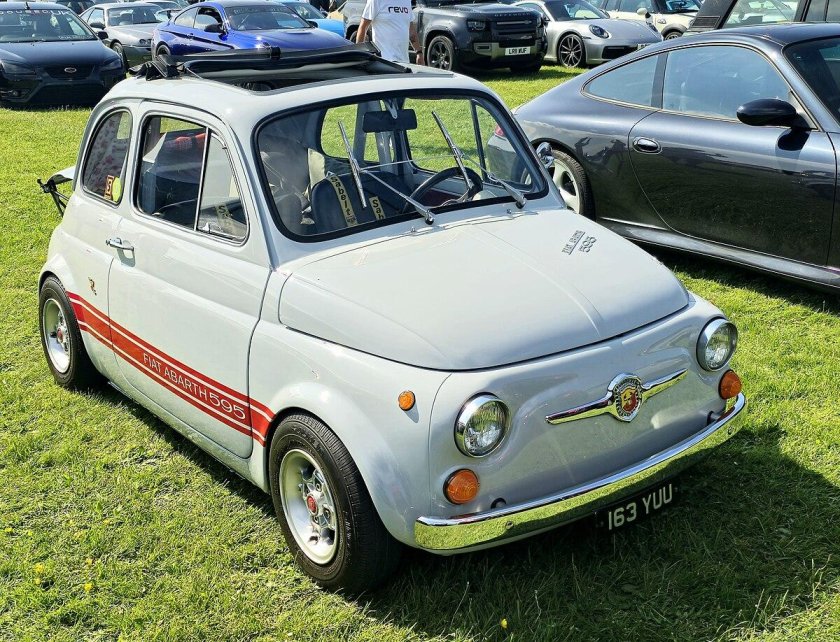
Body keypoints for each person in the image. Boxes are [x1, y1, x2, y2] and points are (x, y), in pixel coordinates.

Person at [355, 0, 423, 65]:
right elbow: (363, 27)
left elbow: (411, 30)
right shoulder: (375, 1)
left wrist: (419, 53)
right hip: (384, 62)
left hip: (404, 62)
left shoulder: (406, 1)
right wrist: (359, 57)